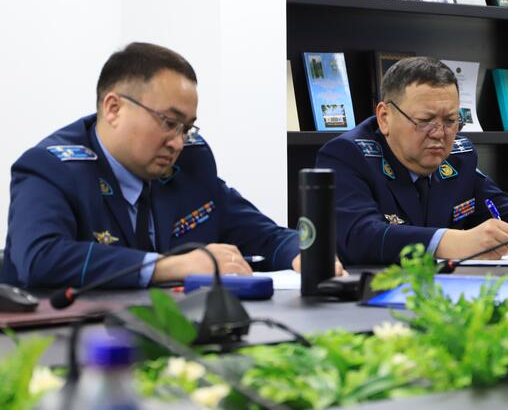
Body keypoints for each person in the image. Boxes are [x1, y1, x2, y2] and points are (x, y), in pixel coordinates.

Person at [2, 42, 343, 289]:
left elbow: (262, 234)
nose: (178, 142)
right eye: (168, 122)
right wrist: (168, 267)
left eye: (186, 127)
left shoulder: (192, 163)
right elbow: (40, 258)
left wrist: (304, 253)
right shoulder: (52, 168)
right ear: (113, 108)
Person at [316, 57, 508, 265]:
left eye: (450, 120)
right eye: (425, 120)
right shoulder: (347, 155)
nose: (439, 133)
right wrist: (455, 242)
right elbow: (359, 236)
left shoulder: (460, 157)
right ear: (384, 118)